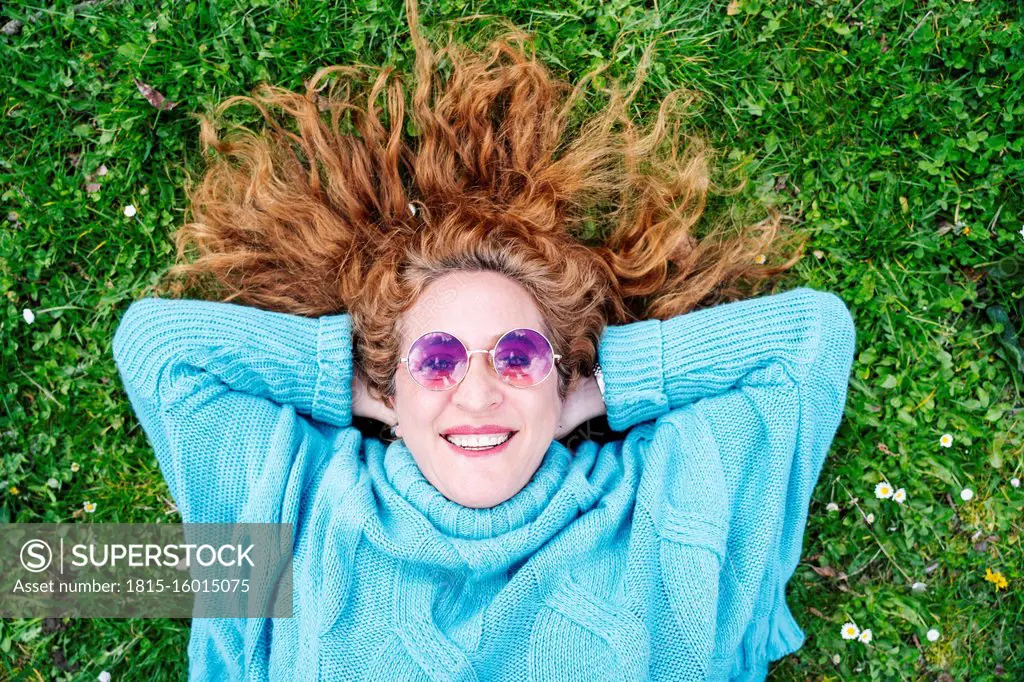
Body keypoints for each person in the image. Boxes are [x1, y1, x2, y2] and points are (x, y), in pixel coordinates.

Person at [111, 0, 856, 679]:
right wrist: (384, 400)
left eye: (519, 357)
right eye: (435, 360)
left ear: (561, 373)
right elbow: (159, 349)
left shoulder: (662, 511)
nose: (477, 390)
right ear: (388, 382)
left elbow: (807, 342)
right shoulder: (299, 508)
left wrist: (591, 393)